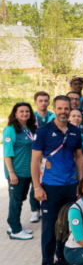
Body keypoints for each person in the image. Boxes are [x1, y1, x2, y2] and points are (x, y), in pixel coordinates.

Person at [31, 95, 83, 265]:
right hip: (50, 187)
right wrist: (37, 187)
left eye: (66, 108)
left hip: (71, 186)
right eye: (60, 108)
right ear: (54, 109)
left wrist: (81, 182)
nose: (63, 112)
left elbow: (79, 158)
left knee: (68, 224)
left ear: (70, 109)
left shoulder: (75, 131)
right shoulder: (44, 131)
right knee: (49, 228)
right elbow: (35, 160)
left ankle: (62, 258)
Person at [4, 102, 39, 239]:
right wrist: (11, 173)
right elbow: (7, 154)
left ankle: (14, 225)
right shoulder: (10, 129)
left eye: (27, 111)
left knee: (21, 198)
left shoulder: (30, 128)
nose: (25, 114)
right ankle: (15, 231)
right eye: (21, 111)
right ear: (15, 113)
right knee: (16, 201)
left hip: (28, 171)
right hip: (16, 172)